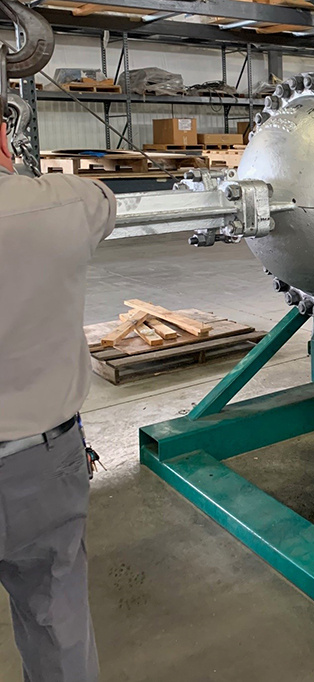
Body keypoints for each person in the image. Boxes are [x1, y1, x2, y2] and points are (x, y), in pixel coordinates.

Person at [0, 115, 116, 681]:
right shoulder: (63, 206)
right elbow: (104, 197)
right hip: (39, 464)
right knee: (56, 620)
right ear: (3, 136)